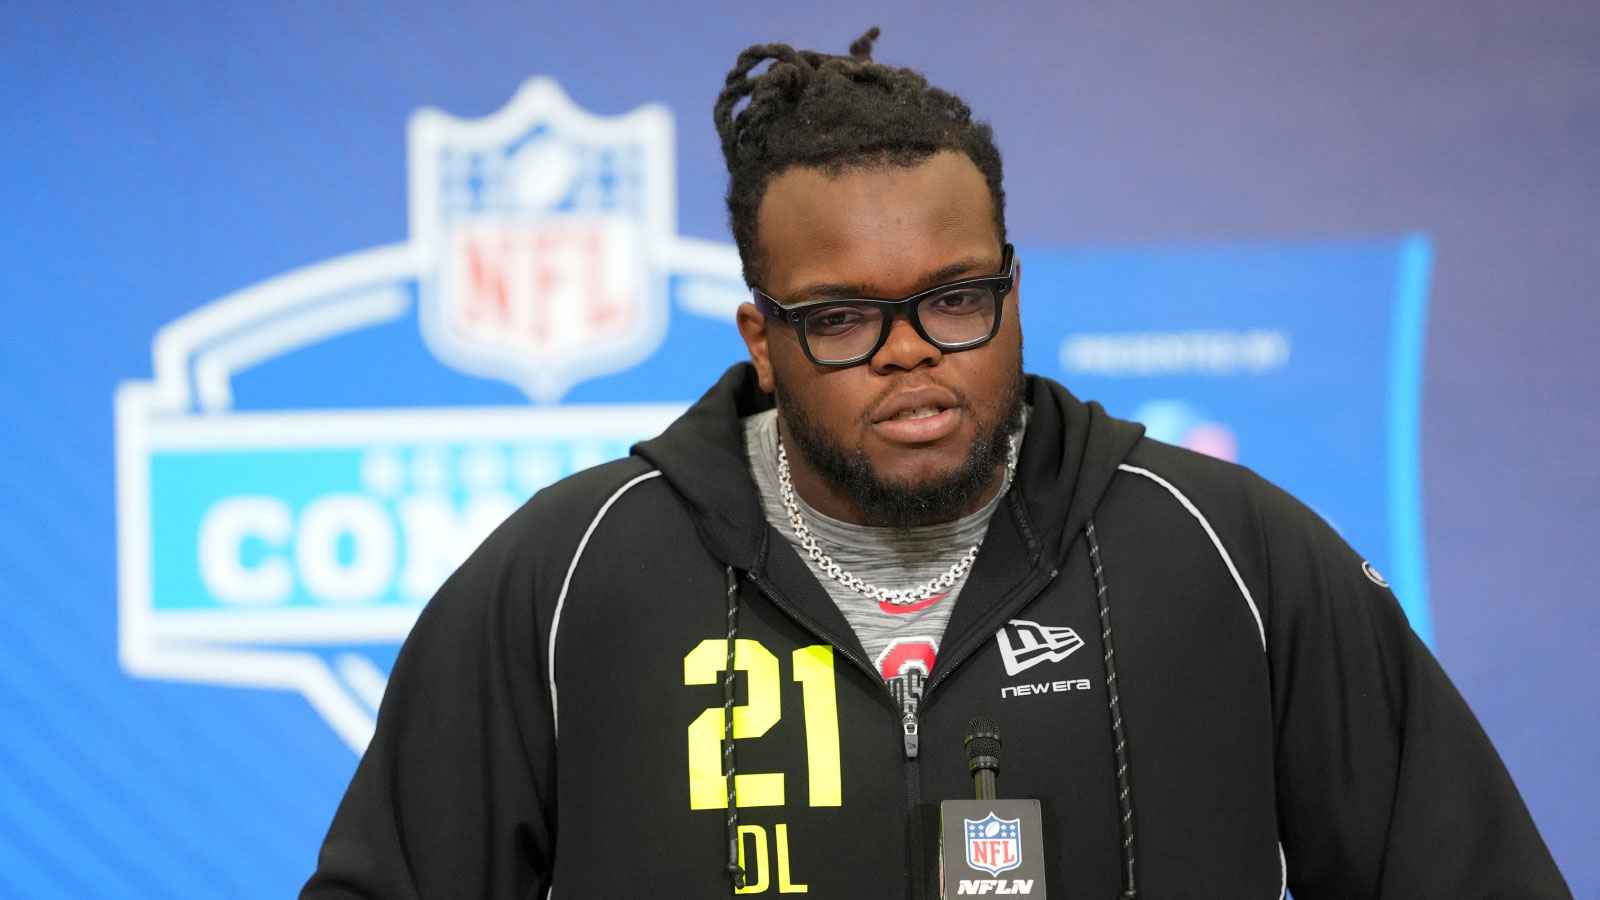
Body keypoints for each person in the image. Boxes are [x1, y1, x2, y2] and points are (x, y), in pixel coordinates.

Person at [302, 29, 1570, 899]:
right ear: (761, 337)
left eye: (956, 299)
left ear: (1013, 290)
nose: (913, 357)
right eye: (843, 318)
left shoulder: (1227, 555)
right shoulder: (573, 576)